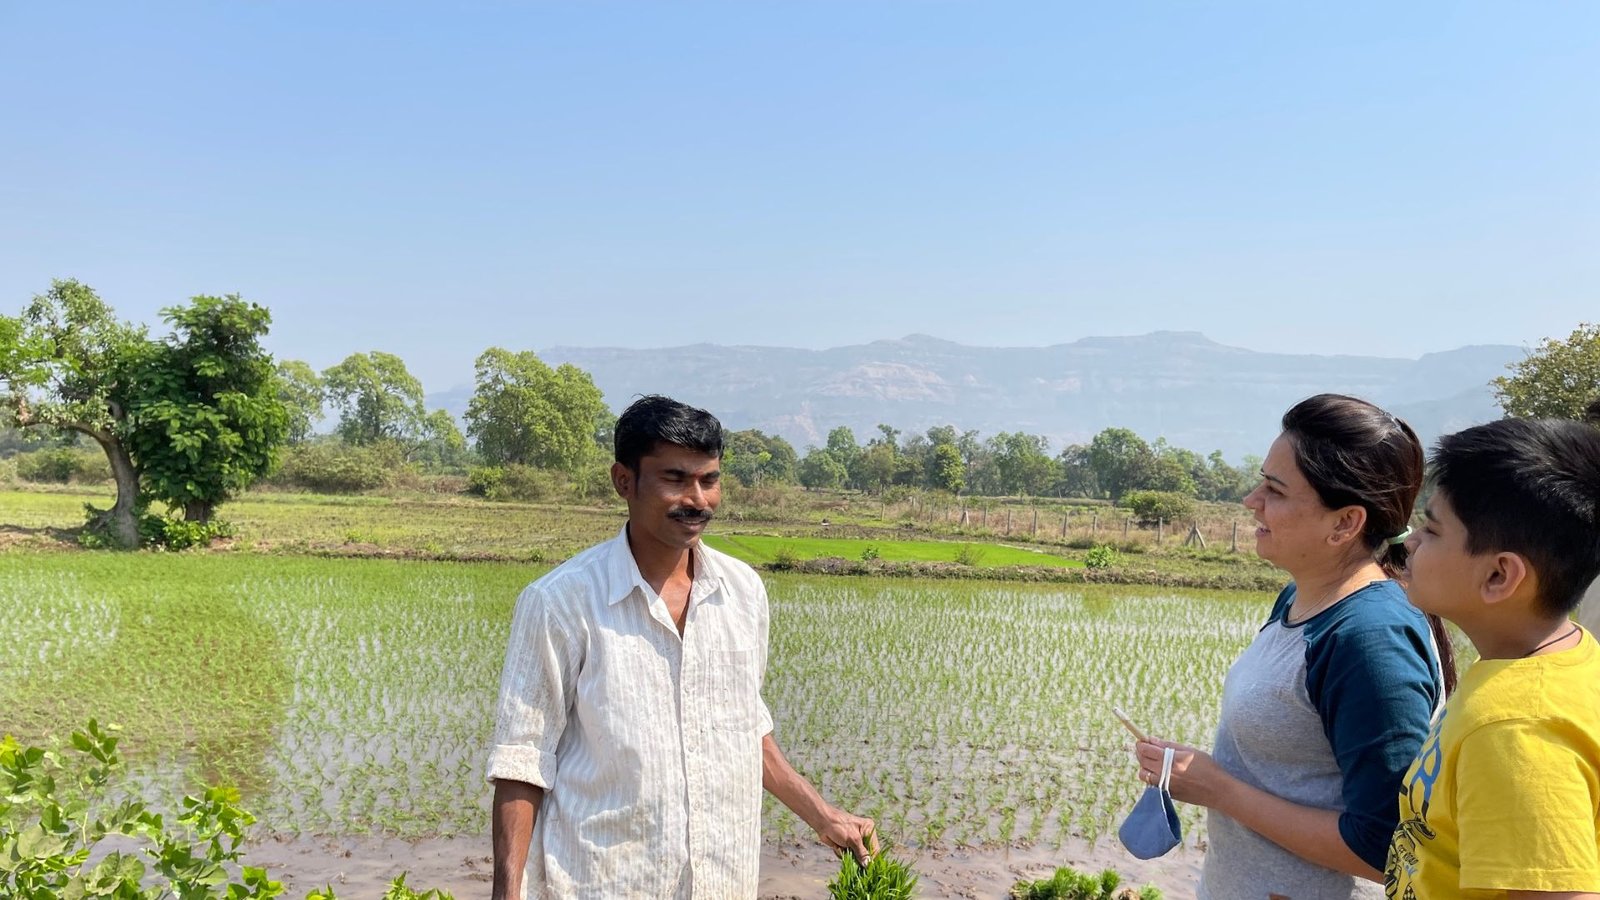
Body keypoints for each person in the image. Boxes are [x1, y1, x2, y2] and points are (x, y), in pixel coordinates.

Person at [486, 395, 876, 900]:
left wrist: (824, 816)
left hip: (722, 881)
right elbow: (522, 759)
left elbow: (743, 727)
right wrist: (506, 892)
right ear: (624, 481)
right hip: (605, 882)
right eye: (675, 478)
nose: (698, 500)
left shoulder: (743, 592)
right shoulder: (560, 601)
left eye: (709, 480)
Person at [1132, 393, 1451, 898]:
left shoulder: (1370, 638)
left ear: (1345, 523)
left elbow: (1388, 848)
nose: (1251, 499)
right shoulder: (1300, 599)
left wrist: (1218, 789)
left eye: (1275, 490)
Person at [1385, 418, 1600, 899]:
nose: (1411, 541)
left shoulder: (1515, 729)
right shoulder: (1567, 654)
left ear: (1499, 576)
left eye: (1433, 529)